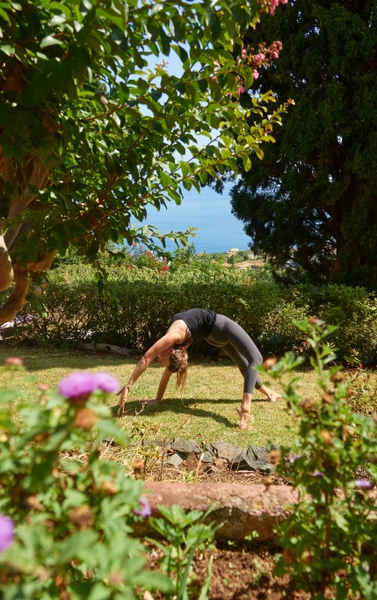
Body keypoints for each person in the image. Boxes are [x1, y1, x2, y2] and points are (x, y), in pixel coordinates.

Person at [117, 308, 281, 427]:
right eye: (162, 361)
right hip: (221, 328)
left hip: (214, 336)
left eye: (161, 360)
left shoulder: (174, 339)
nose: (159, 359)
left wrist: (129, 385)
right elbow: (163, 369)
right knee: (256, 359)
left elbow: (146, 358)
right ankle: (245, 408)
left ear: (171, 351)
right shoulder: (177, 343)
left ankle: (269, 393)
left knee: (245, 363)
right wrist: (157, 399)